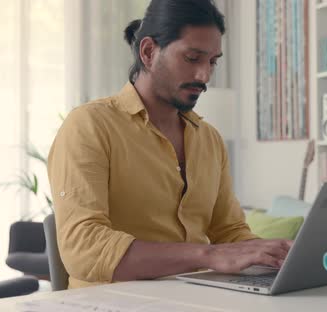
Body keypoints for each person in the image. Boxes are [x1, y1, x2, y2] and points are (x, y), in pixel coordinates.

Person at [47, 0, 291, 289]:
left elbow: (229, 231)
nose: (205, 75)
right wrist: (208, 255)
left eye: (212, 61)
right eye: (192, 58)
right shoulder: (89, 126)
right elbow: (83, 248)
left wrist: (279, 255)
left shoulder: (209, 139)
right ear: (149, 52)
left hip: (199, 299)